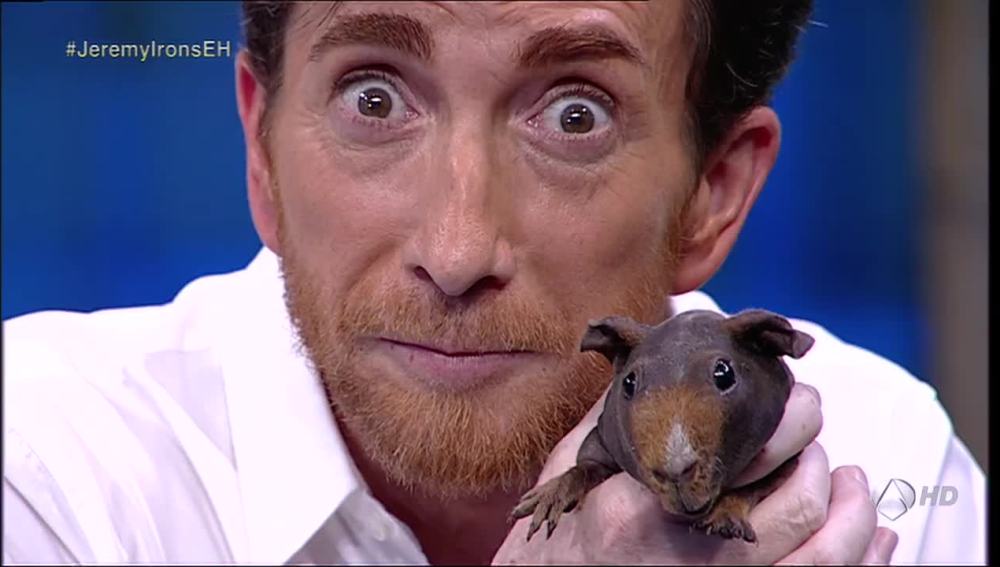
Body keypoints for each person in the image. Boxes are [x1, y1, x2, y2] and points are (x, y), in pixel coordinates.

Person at [2, 1, 985, 565]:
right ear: (260, 154)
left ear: (712, 196)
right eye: (373, 97)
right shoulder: (49, 467)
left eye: (574, 116)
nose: (457, 248)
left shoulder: (884, 466)